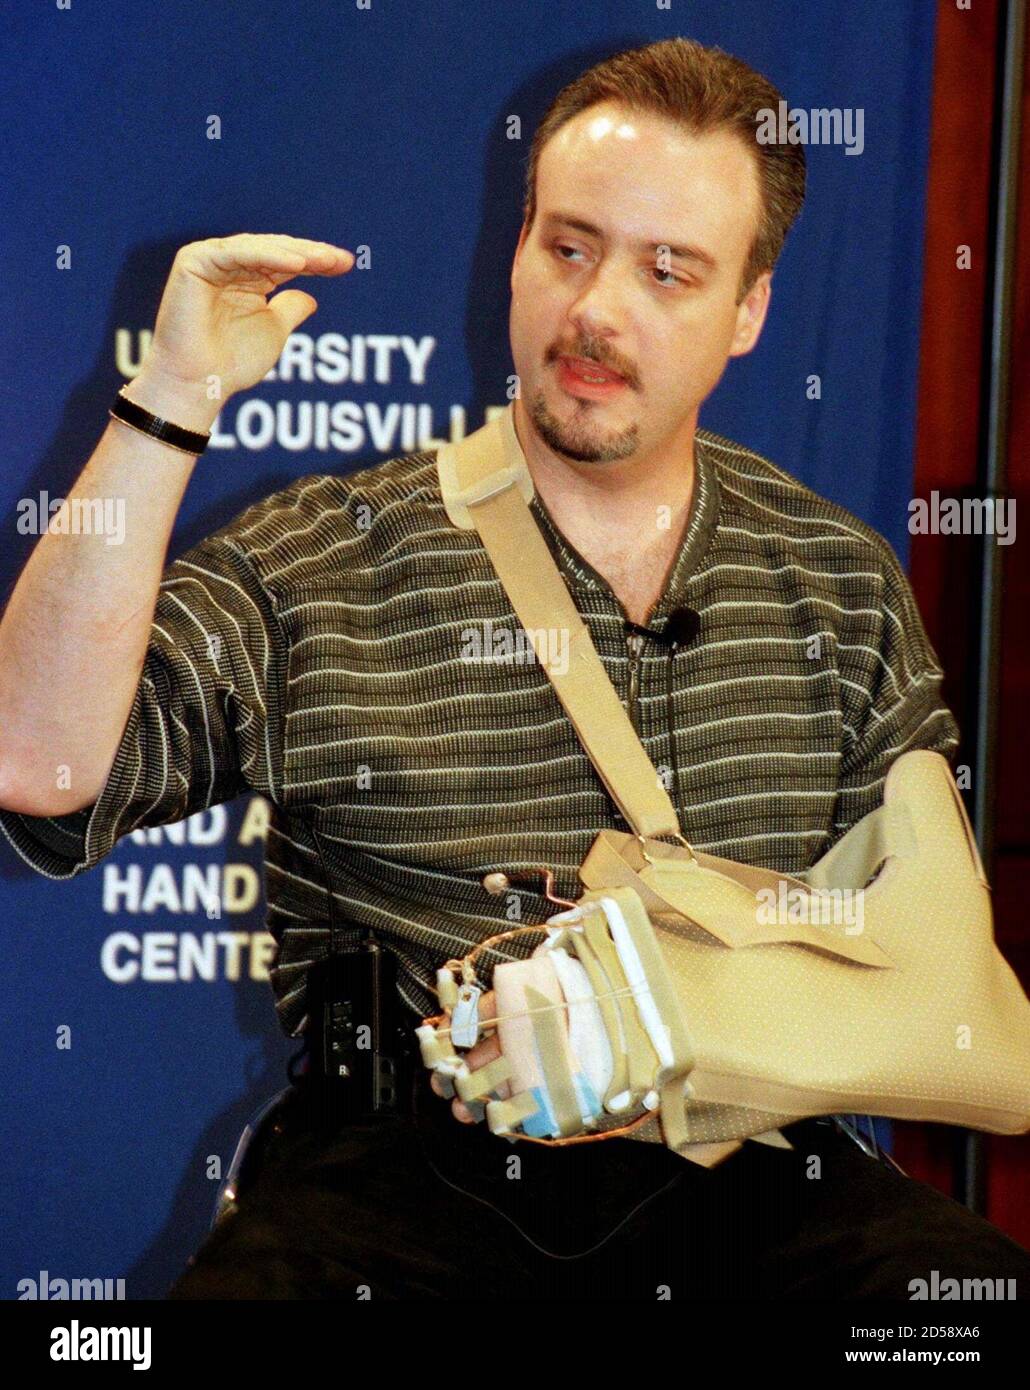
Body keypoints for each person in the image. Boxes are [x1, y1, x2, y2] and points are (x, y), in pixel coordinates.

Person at [1, 36, 1026, 1300]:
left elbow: (932, 958)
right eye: (569, 246)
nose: (597, 310)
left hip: (757, 1184)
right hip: (397, 1191)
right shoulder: (330, 555)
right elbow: (35, 762)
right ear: (518, 243)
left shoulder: (838, 581)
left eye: (668, 271)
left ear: (748, 311)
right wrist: (168, 398)